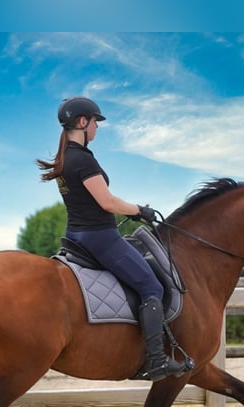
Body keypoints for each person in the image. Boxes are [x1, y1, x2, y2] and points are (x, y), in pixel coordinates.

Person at [37, 96, 187, 382]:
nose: (96, 128)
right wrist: (140, 210)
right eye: (95, 122)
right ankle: (156, 361)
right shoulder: (82, 159)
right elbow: (106, 202)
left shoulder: (65, 159)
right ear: (82, 122)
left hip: (76, 235)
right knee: (150, 286)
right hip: (100, 237)